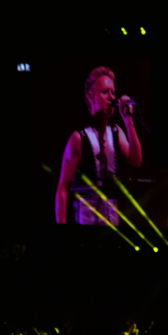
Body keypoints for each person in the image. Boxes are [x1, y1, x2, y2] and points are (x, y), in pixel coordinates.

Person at [56, 66, 142, 224]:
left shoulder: (116, 132)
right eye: (105, 92)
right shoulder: (78, 138)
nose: (111, 97)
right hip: (86, 220)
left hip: (112, 221)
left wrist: (128, 120)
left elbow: (136, 160)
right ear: (91, 96)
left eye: (113, 93)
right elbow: (63, 188)